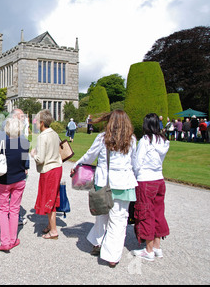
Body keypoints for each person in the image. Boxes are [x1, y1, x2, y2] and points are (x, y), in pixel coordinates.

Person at [71, 110, 137, 268]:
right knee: (119, 221)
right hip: (123, 184)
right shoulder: (132, 139)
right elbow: (134, 162)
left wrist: (76, 164)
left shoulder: (102, 138)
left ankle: (99, 243)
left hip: (104, 182)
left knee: (102, 216)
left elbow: (89, 156)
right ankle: (111, 254)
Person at [131, 113, 170, 261]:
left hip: (146, 180)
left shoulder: (145, 140)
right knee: (158, 212)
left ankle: (148, 250)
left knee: (145, 212)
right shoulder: (163, 141)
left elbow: (137, 162)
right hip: (159, 179)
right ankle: (157, 246)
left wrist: (133, 174)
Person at [0, 117, 30, 252]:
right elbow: (25, 163)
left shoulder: (2, 143)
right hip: (19, 179)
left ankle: (6, 241)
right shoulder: (25, 143)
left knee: (3, 210)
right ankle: (13, 239)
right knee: (14, 209)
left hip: (4, 180)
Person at [30, 109, 63, 240]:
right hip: (57, 168)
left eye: (37, 121)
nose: (36, 123)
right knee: (53, 196)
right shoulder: (54, 133)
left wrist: (33, 155)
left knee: (49, 198)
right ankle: (51, 225)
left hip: (49, 170)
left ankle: (54, 230)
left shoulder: (42, 136)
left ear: (42, 122)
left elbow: (41, 159)